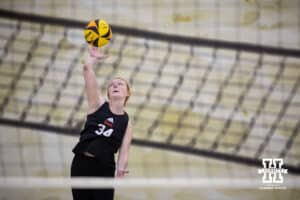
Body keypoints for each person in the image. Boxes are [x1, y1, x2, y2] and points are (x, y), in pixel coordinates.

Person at [71, 46, 133, 200]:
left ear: (127, 93)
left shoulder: (127, 122)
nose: (115, 86)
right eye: (112, 84)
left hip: (104, 169)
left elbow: (124, 151)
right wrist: (92, 58)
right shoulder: (97, 104)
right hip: (82, 164)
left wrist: (121, 171)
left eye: (120, 84)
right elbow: (87, 70)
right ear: (108, 93)